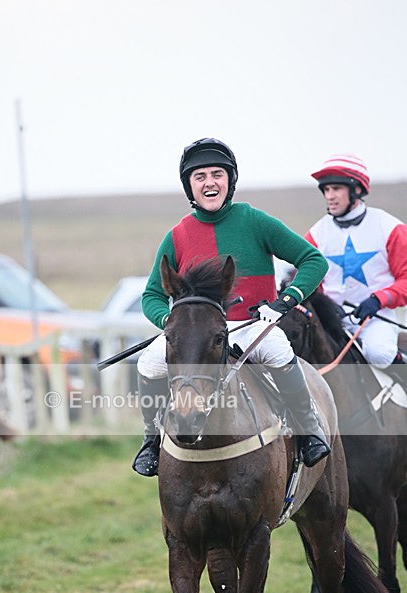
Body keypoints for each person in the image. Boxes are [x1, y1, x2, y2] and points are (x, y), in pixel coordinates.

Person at [132, 137, 331, 477]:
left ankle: (308, 430)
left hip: (253, 325)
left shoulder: (255, 221)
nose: (209, 182)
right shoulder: (177, 235)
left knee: (280, 350)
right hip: (199, 334)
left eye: (217, 174)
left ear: (230, 180)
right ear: (190, 187)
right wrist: (172, 321)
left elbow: (313, 260)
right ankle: (152, 441)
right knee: (149, 363)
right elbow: (151, 295)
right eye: (200, 177)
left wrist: (285, 301)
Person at [305, 154, 407, 386]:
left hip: (375, 317)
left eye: (336, 189)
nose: (330, 196)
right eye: (326, 189)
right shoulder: (316, 234)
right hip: (333, 321)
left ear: (357, 190)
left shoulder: (390, 228)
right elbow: (311, 283)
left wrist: (379, 299)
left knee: (378, 352)